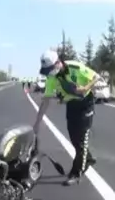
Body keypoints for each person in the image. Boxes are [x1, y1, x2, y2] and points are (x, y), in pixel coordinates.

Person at [33, 50, 99, 186]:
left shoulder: (75, 68)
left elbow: (96, 77)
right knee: (74, 137)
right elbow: (46, 100)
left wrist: (85, 88)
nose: (49, 73)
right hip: (72, 105)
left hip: (86, 104)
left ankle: (76, 173)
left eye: (50, 69)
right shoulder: (52, 78)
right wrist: (37, 122)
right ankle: (89, 158)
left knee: (81, 140)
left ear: (58, 63)